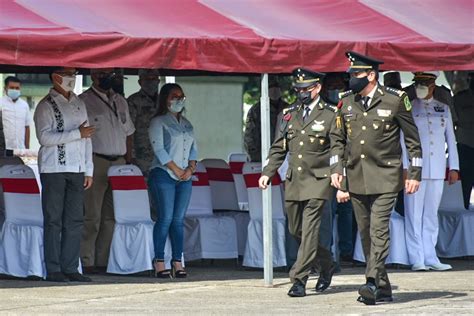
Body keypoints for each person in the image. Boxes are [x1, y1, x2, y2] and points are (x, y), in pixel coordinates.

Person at [330, 51, 422, 305]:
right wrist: (337, 169)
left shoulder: (395, 100)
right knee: (366, 233)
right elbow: (338, 140)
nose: (352, 79)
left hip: (385, 177)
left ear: (371, 75)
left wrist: (414, 174)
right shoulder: (347, 102)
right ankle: (383, 288)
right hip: (357, 177)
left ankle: (371, 282)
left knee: (379, 230)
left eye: (356, 74)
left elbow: (413, 141)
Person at [259, 68, 337, 297]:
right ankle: (327, 263)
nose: (301, 93)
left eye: (306, 89)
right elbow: (278, 147)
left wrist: (337, 175)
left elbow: (337, 148)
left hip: (319, 180)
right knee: (297, 230)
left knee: (311, 229)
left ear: (317, 88)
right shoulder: (288, 114)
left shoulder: (331, 114)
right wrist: (267, 172)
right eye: (298, 89)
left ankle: (299, 279)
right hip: (294, 179)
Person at [34, 67, 95, 282]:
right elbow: (44, 138)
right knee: (53, 220)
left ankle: (70, 267)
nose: (73, 76)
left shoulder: (79, 103)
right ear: (55, 76)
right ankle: (53, 269)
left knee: (75, 219)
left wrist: (89, 169)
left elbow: (88, 139)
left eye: (74, 72)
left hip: (77, 168)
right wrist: (77, 133)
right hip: (54, 169)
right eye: (68, 72)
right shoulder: (45, 105)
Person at [79, 68, 135, 273]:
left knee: (111, 216)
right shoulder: (83, 101)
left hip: (119, 162)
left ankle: (103, 261)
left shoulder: (120, 100)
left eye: (110, 73)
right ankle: (86, 261)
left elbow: (129, 133)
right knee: (92, 215)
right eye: (102, 73)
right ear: (93, 75)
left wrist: (129, 160)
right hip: (96, 161)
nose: (107, 77)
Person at [404, 71, 459, 271]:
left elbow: (450, 139)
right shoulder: (408, 107)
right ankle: (416, 257)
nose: (420, 86)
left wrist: (453, 166)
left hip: (436, 168)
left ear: (433, 85)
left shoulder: (442, 108)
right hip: (414, 170)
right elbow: (403, 141)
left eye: (424, 83)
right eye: (418, 82)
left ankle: (430, 256)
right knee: (414, 214)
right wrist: (405, 167)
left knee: (431, 214)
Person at [148, 83, 197, 279]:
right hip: (163, 174)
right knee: (165, 218)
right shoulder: (158, 122)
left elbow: (194, 148)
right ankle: (159, 261)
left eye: (181, 96)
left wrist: (191, 169)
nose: (178, 99)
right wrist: (176, 169)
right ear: (165, 99)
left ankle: (178, 261)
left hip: (185, 176)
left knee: (178, 221)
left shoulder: (187, 123)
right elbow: (159, 149)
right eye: (174, 96)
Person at [244, 78, 288, 162]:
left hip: (284, 156)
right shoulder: (256, 110)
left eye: (277, 87)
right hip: (261, 155)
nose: (274, 90)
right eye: (271, 87)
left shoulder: (288, 108)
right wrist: (255, 156)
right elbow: (249, 136)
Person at [127, 69, 160, 178]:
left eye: (154, 78)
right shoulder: (133, 101)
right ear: (140, 82)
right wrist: (130, 156)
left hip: (162, 156)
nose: (151, 82)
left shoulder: (164, 101)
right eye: (147, 79)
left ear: (159, 81)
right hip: (141, 156)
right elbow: (128, 131)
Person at [453, 72, 474, 209]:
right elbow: (452, 122)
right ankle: (464, 208)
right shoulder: (459, 99)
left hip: (465, 143)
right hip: (465, 146)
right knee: (464, 185)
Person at [1, 76, 31, 150]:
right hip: (4, 149)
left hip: (20, 149)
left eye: (17, 88)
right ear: (5, 88)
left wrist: (27, 148)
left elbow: (27, 127)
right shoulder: (1, 103)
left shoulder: (24, 105)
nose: (14, 90)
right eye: (11, 87)